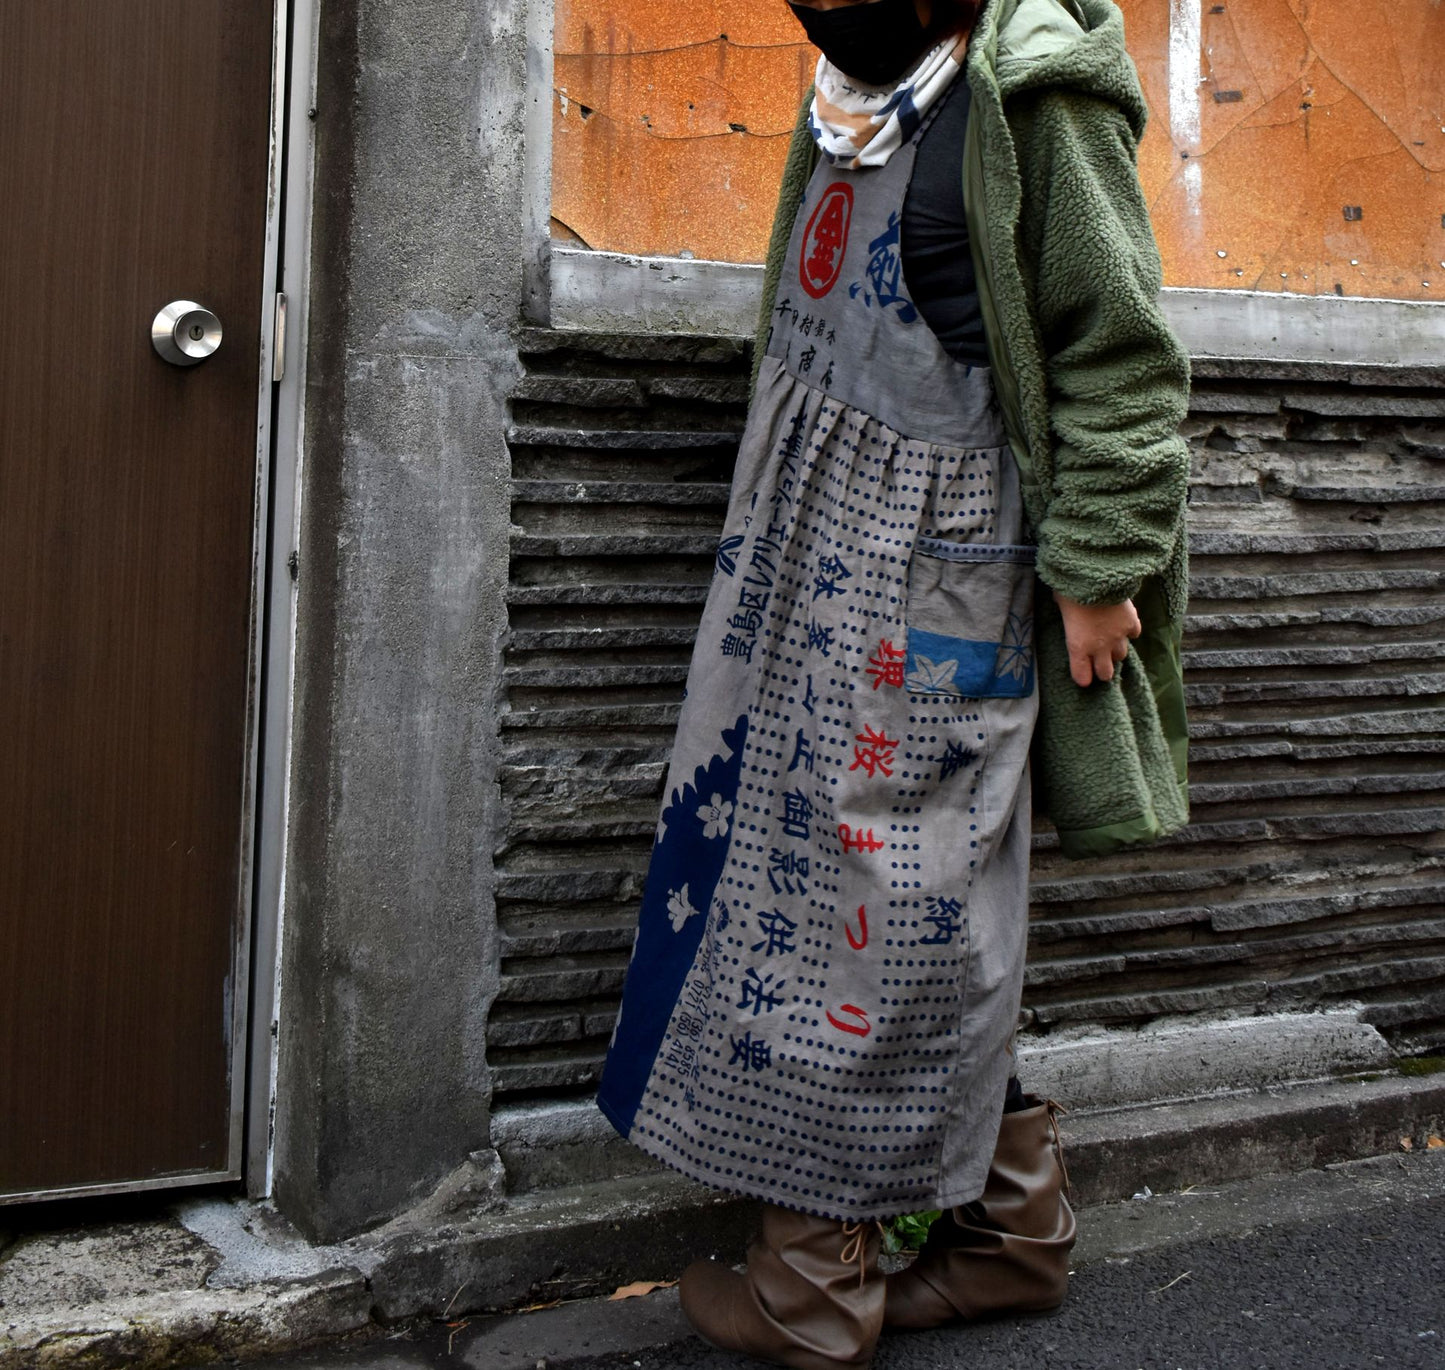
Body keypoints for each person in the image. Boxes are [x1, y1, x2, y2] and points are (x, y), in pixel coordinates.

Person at [595, 0, 1192, 1364]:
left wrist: (1098, 563)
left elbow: (1120, 346)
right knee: (809, 882)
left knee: (882, 893)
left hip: (934, 571)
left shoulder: (1035, 90)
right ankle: (1006, 1232)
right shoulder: (858, 96)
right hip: (800, 558)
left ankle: (814, 1281)